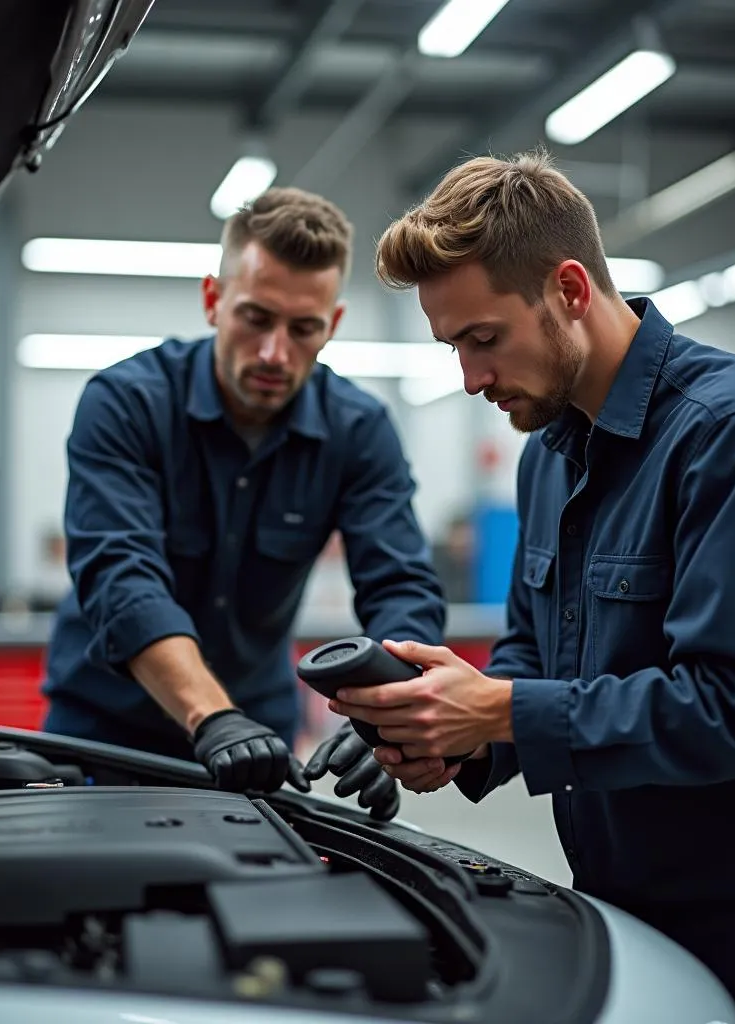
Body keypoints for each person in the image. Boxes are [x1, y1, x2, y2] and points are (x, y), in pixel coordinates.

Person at [328, 151, 735, 1021]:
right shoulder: (548, 459)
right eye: (454, 347)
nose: (471, 379)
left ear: (568, 288)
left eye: (485, 339)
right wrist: (455, 736)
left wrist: (497, 711)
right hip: (618, 908)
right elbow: (536, 659)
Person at [40, 186, 445, 819]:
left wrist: (388, 714)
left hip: (260, 739)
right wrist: (212, 715)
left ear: (331, 326)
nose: (273, 353)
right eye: (256, 317)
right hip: (102, 732)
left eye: (303, 328)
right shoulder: (126, 404)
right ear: (213, 300)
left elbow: (401, 585)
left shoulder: (358, 431)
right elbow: (122, 579)